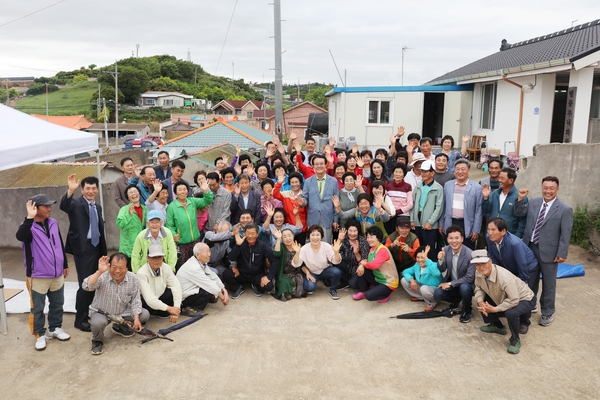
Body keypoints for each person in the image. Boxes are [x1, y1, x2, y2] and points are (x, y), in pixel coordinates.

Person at [514, 176, 573, 326]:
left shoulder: (565, 209)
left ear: (557, 189)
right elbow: (519, 213)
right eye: (545, 188)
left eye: (551, 188)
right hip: (530, 247)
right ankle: (530, 304)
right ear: (542, 188)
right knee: (530, 279)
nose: (548, 191)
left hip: (550, 252)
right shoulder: (534, 202)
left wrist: (562, 252)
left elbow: (565, 234)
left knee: (549, 283)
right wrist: (520, 199)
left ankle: (547, 312)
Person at [16, 194, 70, 350]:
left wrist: (64, 264)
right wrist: (29, 218)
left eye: (50, 205)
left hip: (57, 273)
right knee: (38, 308)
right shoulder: (27, 227)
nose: (49, 208)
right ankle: (39, 334)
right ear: (35, 208)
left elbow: (59, 242)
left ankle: (55, 328)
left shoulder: (53, 222)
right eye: (45, 206)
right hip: (38, 275)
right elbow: (20, 236)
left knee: (57, 303)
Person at [60, 174, 107, 332]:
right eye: (88, 188)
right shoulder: (76, 203)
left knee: (96, 281)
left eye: (94, 188)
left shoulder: (97, 207)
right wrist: (70, 191)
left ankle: (87, 312)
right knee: (86, 283)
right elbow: (64, 206)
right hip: (83, 248)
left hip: (97, 247)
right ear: (82, 189)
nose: (91, 191)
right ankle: (80, 320)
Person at [83, 253, 150, 355]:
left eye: (121, 268)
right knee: (98, 323)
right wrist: (99, 271)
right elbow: (86, 286)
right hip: (101, 312)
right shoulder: (103, 275)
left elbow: (136, 301)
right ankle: (97, 340)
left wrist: (136, 319)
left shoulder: (134, 279)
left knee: (144, 315)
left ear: (127, 268)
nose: (117, 271)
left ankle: (120, 327)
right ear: (109, 266)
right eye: (114, 267)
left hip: (122, 312)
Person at [472, 249, 534, 355]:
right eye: (477, 264)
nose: (480, 267)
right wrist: (480, 301)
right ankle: (497, 326)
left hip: (525, 298)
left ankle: (515, 339)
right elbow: (479, 288)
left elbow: (514, 300)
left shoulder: (504, 278)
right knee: (482, 301)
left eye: (483, 263)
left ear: (490, 261)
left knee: (511, 313)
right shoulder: (478, 273)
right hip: (503, 296)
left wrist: (495, 309)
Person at [166, 179, 214, 269]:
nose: (182, 192)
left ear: (188, 191)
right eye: (180, 190)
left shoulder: (192, 201)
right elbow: (169, 225)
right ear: (175, 192)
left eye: (184, 189)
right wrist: (173, 235)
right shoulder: (171, 207)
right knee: (185, 267)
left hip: (195, 241)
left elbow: (207, 201)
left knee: (198, 265)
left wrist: (205, 191)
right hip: (182, 244)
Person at [222, 222, 277, 299]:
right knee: (226, 274)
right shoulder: (241, 244)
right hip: (242, 273)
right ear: (244, 233)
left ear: (257, 234)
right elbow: (231, 257)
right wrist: (238, 245)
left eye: (253, 233)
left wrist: (269, 277)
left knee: (269, 286)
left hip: (257, 274)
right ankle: (238, 288)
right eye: (248, 233)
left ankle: (256, 286)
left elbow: (274, 260)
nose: (250, 236)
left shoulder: (262, 245)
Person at [434, 225, 475, 323]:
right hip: (452, 283)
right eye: (451, 238)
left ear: (462, 239)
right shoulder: (446, 250)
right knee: (438, 293)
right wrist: (440, 260)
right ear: (447, 239)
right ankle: (456, 300)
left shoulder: (470, 254)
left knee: (464, 288)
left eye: (457, 238)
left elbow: (469, 278)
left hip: (466, 284)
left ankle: (467, 310)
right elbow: (442, 269)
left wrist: (450, 284)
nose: (454, 241)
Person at [292, 225, 343, 300]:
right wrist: (297, 253)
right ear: (309, 236)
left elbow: (336, 261)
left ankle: (333, 290)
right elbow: (296, 264)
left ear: (321, 236)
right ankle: (316, 282)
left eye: (317, 235)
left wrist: (336, 252)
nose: (315, 238)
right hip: (312, 272)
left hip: (325, 270)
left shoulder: (326, 246)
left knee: (337, 272)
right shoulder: (304, 248)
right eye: (312, 235)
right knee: (309, 287)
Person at [176, 243, 229, 313]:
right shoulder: (194, 267)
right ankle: (190, 308)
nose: (209, 254)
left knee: (212, 286)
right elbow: (208, 284)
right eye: (206, 252)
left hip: (191, 289)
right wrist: (223, 297)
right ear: (198, 255)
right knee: (208, 290)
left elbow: (212, 276)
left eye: (209, 251)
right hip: (183, 298)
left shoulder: (201, 262)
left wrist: (224, 290)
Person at [441, 159, 482, 250]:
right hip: (450, 222)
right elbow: (443, 206)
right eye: (457, 169)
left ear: (468, 171)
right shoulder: (448, 185)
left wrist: (476, 230)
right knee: (450, 249)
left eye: (463, 169)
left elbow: (478, 210)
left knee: (467, 250)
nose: (460, 171)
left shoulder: (477, 188)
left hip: (467, 224)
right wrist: (441, 223)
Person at [352, 225, 399, 303]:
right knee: (362, 268)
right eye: (368, 237)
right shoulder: (372, 249)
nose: (369, 239)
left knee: (369, 296)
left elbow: (374, 265)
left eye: (372, 237)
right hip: (379, 279)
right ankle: (362, 291)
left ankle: (387, 293)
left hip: (389, 282)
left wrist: (363, 264)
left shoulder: (382, 250)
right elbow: (365, 262)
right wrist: (357, 254)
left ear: (378, 238)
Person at [137, 245, 183, 321]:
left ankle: (159, 312)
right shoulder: (141, 273)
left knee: (172, 292)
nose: (157, 260)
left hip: (160, 296)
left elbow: (176, 286)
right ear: (147, 258)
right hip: (145, 302)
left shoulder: (166, 268)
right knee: (145, 313)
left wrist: (176, 309)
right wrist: (169, 308)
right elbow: (149, 299)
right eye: (153, 257)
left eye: (159, 257)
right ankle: (155, 311)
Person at [300, 154, 339, 243]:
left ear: (325, 165)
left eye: (321, 163)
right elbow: (305, 200)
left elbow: (336, 202)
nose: (319, 166)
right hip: (313, 217)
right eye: (316, 164)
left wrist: (335, 220)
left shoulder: (333, 181)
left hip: (327, 217)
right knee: (312, 244)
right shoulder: (308, 181)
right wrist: (302, 202)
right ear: (313, 166)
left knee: (326, 244)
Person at [410, 160, 444, 260]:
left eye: (425, 171)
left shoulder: (438, 188)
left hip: (430, 225)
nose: (423, 173)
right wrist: (412, 219)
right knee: (418, 249)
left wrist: (430, 222)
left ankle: (431, 271)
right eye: (422, 171)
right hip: (417, 222)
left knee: (430, 249)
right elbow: (413, 203)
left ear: (432, 173)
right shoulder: (418, 186)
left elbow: (439, 207)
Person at [486, 217, 538, 284]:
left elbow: (522, 263)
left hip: (528, 268)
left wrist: (524, 280)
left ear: (503, 231)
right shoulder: (489, 238)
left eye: (493, 230)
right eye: (488, 229)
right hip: (512, 268)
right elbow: (492, 255)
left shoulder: (514, 243)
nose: (490, 232)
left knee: (526, 293)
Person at [482, 168, 527, 238]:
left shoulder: (519, 196)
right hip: (492, 235)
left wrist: (517, 237)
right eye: (499, 178)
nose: (499, 180)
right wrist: (485, 198)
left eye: (502, 178)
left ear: (511, 180)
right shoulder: (494, 194)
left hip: (509, 237)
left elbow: (522, 220)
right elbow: (485, 211)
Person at [400, 245, 443, 310]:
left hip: (434, 290)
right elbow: (405, 272)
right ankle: (421, 297)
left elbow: (437, 273)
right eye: (418, 257)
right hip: (423, 288)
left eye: (422, 257)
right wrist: (411, 280)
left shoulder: (433, 265)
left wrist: (426, 260)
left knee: (424, 288)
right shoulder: (417, 265)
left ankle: (433, 302)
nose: (420, 260)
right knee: (404, 280)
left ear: (427, 257)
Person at [272, 228, 306, 301]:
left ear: (293, 236)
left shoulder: (299, 246)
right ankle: (287, 292)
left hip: (296, 272)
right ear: (282, 239)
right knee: (283, 285)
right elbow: (276, 254)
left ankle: (293, 292)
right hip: (283, 274)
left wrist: (297, 253)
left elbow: (302, 263)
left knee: (299, 289)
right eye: (284, 237)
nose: (287, 238)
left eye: (289, 236)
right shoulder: (281, 245)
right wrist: (278, 239)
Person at [273, 171, 307, 244]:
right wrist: (279, 182)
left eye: (296, 182)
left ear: (300, 183)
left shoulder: (305, 195)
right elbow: (275, 193)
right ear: (289, 183)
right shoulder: (285, 194)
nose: (294, 184)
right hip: (289, 228)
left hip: (302, 228)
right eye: (292, 182)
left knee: (300, 250)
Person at [115, 185, 147, 260]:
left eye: (135, 191)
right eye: (130, 193)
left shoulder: (144, 209)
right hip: (128, 249)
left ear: (139, 194)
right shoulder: (124, 209)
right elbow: (120, 224)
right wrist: (129, 215)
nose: (133, 194)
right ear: (128, 197)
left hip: (141, 247)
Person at [337, 220, 370, 289]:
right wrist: (339, 240)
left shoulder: (363, 242)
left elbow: (365, 260)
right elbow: (336, 253)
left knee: (353, 284)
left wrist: (356, 253)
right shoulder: (344, 239)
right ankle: (346, 281)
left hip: (358, 267)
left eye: (355, 231)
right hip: (347, 265)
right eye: (350, 231)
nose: (352, 233)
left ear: (358, 231)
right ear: (347, 231)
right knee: (335, 262)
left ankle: (350, 281)